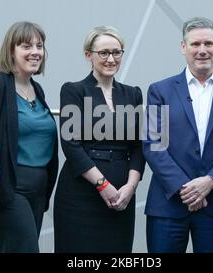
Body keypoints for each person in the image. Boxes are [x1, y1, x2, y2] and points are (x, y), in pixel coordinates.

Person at [143, 17, 213, 253]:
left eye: (208, 44)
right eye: (195, 44)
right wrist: (185, 188)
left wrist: (209, 182)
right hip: (168, 205)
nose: (202, 50)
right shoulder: (159, 91)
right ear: (183, 47)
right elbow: (153, 143)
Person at [54, 26, 145, 252]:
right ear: (89, 55)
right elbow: (71, 145)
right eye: (103, 52)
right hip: (80, 196)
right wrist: (102, 185)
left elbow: (139, 148)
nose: (111, 59)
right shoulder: (74, 90)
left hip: (122, 197)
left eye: (117, 52)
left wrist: (130, 187)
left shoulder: (133, 93)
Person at [0, 21, 58, 253]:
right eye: (26, 46)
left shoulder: (36, 90)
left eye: (39, 46)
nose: (35, 52)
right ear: (11, 51)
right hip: (9, 190)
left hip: (38, 190)